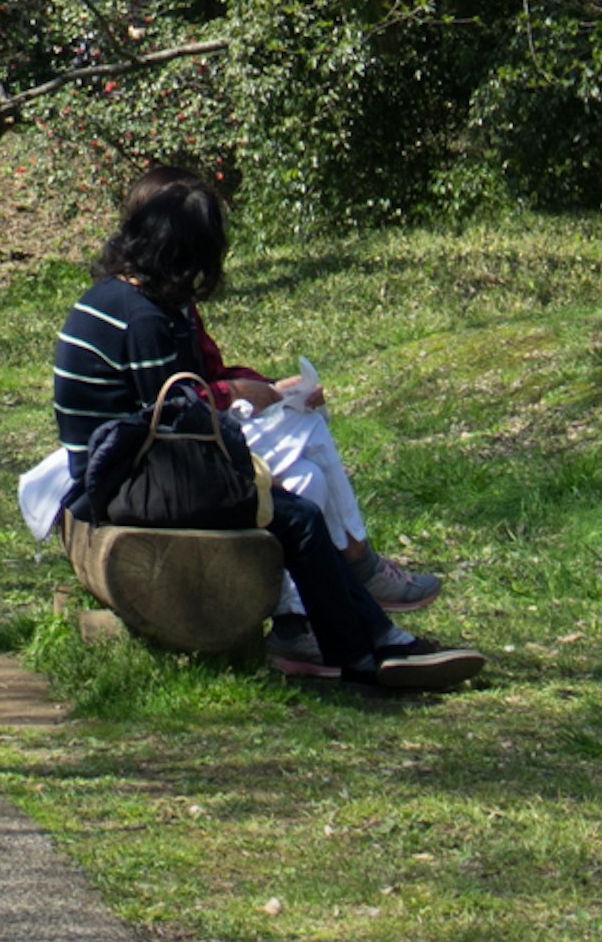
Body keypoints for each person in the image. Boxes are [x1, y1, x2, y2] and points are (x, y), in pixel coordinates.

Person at [49, 173, 479, 697]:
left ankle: (367, 641)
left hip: (138, 471)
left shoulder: (122, 301)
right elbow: (170, 417)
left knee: (291, 505)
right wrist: (238, 401)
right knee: (293, 517)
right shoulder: (141, 320)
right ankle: (367, 646)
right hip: (122, 485)